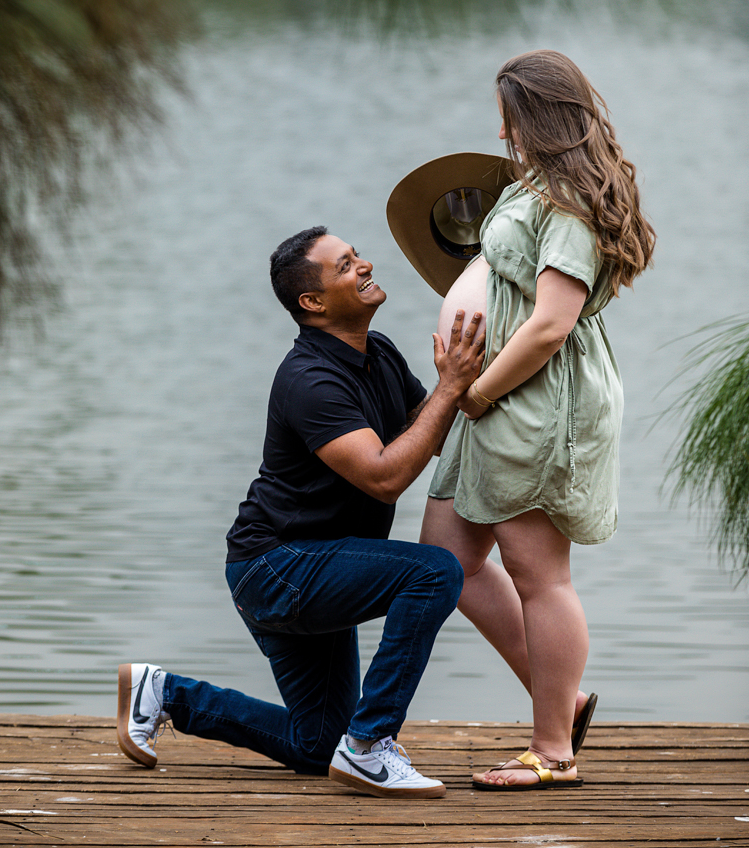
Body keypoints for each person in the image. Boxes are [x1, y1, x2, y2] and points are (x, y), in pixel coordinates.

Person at [117, 226, 486, 798]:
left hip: (320, 564)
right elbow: (385, 477)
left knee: (318, 747)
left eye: (356, 255)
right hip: (276, 566)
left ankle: (164, 693)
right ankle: (369, 747)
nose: (364, 266)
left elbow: (432, 433)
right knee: (433, 571)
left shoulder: (379, 352)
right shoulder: (308, 379)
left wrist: (477, 381)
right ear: (311, 302)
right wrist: (450, 388)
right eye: (345, 266)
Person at [420, 50, 655, 791]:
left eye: (510, 115)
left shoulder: (572, 203)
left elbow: (551, 324)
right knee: (445, 562)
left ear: (539, 116)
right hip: (492, 394)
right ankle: (565, 698)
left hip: (532, 399)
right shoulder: (538, 188)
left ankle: (553, 752)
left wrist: (480, 392)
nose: (499, 129)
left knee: (539, 574)